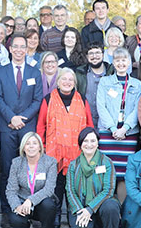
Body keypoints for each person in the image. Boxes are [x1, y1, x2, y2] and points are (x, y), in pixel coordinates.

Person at [0, 35, 44, 216]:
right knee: (7, 169)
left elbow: (38, 100)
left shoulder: (34, 72)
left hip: (27, 128)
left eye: (23, 47)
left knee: (29, 170)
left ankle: (29, 209)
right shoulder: (0, 71)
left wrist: (22, 118)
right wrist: (12, 118)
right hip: (7, 127)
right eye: (16, 47)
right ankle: (8, 212)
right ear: (11, 49)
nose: (20, 50)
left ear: (27, 49)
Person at [37, 67, 94, 223]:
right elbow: (41, 126)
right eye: (64, 79)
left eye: (71, 80)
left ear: (75, 82)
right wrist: (41, 150)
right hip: (53, 157)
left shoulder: (82, 99)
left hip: (77, 158)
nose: (67, 82)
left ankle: (73, 222)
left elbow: (89, 126)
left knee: (74, 196)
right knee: (54, 195)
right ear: (58, 81)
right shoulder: (48, 99)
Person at [95, 48, 141, 203]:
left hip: (128, 135)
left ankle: (122, 212)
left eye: (124, 60)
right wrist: (114, 129)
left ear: (129, 62)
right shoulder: (105, 81)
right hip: (108, 133)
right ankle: (106, 208)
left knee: (124, 173)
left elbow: (137, 109)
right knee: (106, 171)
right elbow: (101, 106)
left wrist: (125, 128)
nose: (121, 63)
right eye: (118, 60)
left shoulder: (136, 83)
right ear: (113, 63)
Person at [64, 127, 120, 228]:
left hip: (102, 205)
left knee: (111, 207)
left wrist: (90, 209)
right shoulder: (73, 165)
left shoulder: (106, 162)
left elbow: (108, 190)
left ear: (98, 143)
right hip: (80, 206)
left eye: (93, 141)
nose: (89, 144)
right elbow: (70, 191)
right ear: (80, 144)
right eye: (85, 141)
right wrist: (80, 210)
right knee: (81, 225)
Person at [5, 132, 58, 228]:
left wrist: (30, 200)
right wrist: (17, 206)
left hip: (42, 203)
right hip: (22, 202)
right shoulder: (16, 163)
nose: (31, 146)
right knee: (15, 219)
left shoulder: (50, 162)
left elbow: (49, 189)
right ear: (23, 147)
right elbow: (11, 190)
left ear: (40, 147)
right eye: (27, 143)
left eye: (34, 143)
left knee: (48, 205)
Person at [75, 44, 115, 126]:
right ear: (87, 56)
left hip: (107, 121)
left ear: (103, 55)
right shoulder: (80, 73)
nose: (94, 56)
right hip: (85, 119)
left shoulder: (111, 72)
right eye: (91, 53)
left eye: (97, 53)